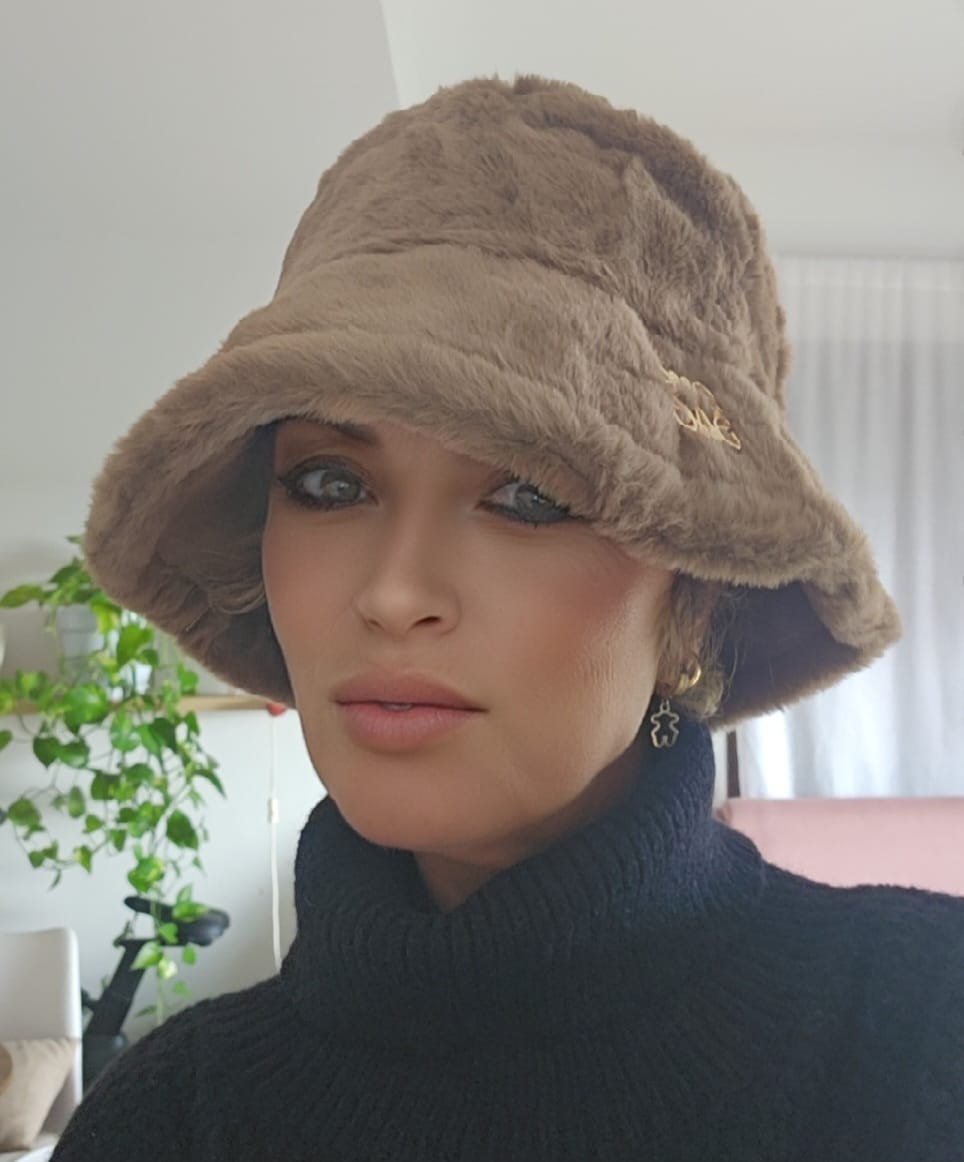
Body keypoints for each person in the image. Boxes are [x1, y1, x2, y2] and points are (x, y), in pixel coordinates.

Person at [52, 74, 963, 1162]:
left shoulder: (924, 1030)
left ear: (696, 597)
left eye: (530, 496)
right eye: (331, 484)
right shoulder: (166, 1122)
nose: (393, 593)